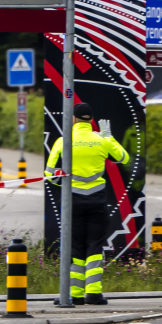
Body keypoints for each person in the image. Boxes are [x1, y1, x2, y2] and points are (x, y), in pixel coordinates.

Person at [46, 102, 129, 305]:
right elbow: (124, 158)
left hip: (72, 202)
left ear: (73, 119)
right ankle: (93, 293)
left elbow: (50, 175)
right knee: (95, 245)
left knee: (74, 247)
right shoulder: (101, 140)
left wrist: (60, 175)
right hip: (97, 200)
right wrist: (108, 137)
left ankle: (74, 295)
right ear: (91, 120)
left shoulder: (63, 141)